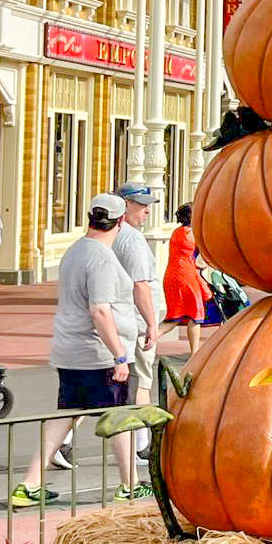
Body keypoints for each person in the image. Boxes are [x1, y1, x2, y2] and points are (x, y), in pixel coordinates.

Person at [11, 194, 145, 508]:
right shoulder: (101, 258)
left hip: (69, 349)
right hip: (96, 353)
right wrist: (119, 355)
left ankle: (29, 484)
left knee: (67, 414)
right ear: (121, 221)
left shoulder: (75, 250)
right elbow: (100, 310)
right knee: (119, 414)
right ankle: (129, 485)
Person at [112, 185, 161, 457]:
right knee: (140, 381)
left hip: (122, 318)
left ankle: (64, 440)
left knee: (109, 386)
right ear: (124, 204)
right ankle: (141, 447)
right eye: (141, 205)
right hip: (135, 321)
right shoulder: (131, 240)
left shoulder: (114, 235)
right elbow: (140, 285)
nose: (147, 211)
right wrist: (152, 324)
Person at [163, 203, 208, 355]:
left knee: (174, 316)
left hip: (171, 274)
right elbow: (206, 253)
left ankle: (150, 337)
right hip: (187, 275)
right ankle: (195, 352)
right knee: (195, 314)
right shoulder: (193, 233)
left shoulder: (176, 232)